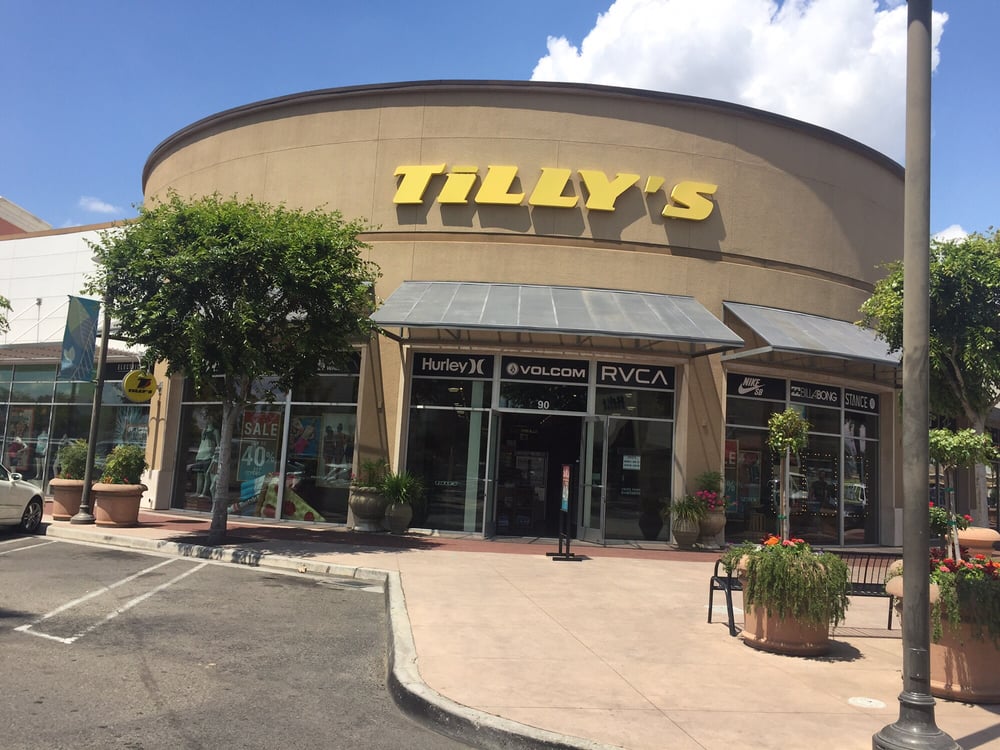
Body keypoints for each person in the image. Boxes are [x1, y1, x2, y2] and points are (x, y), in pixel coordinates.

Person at [193, 418, 219, 497]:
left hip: (208, 456)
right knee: (199, 474)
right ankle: (198, 492)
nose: (206, 420)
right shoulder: (204, 431)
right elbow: (202, 442)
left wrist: (215, 455)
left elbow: (218, 444)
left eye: (208, 418)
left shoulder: (215, 431)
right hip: (200, 455)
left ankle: (204, 493)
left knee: (206, 475)